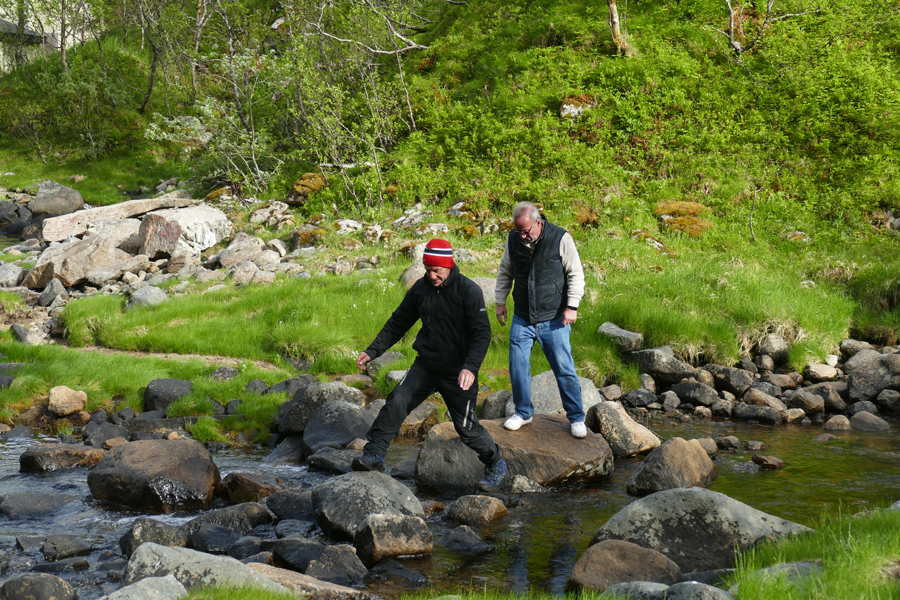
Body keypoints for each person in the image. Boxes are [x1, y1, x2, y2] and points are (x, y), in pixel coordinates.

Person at [353, 238, 508, 492]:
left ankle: (496, 463)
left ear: (449, 266)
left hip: (459, 372)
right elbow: (398, 322)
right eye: (428, 270)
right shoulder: (420, 290)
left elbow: (482, 334)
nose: (432, 275)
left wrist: (470, 367)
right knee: (398, 400)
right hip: (426, 365)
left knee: (467, 429)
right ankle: (374, 455)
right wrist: (373, 350)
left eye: (437, 270)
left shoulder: (469, 291)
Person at [495, 202, 588, 438]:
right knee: (517, 366)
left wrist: (572, 306)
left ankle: (576, 418)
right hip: (522, 317)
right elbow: (506, 270)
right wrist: (500, 301)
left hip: (555, 317)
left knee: (564, 369)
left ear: (538, 222)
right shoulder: (514, 239)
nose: (523, 236)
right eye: (519, 232)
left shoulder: (560, 237)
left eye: (526, 231)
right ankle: (523, 412)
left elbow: (576, 272)